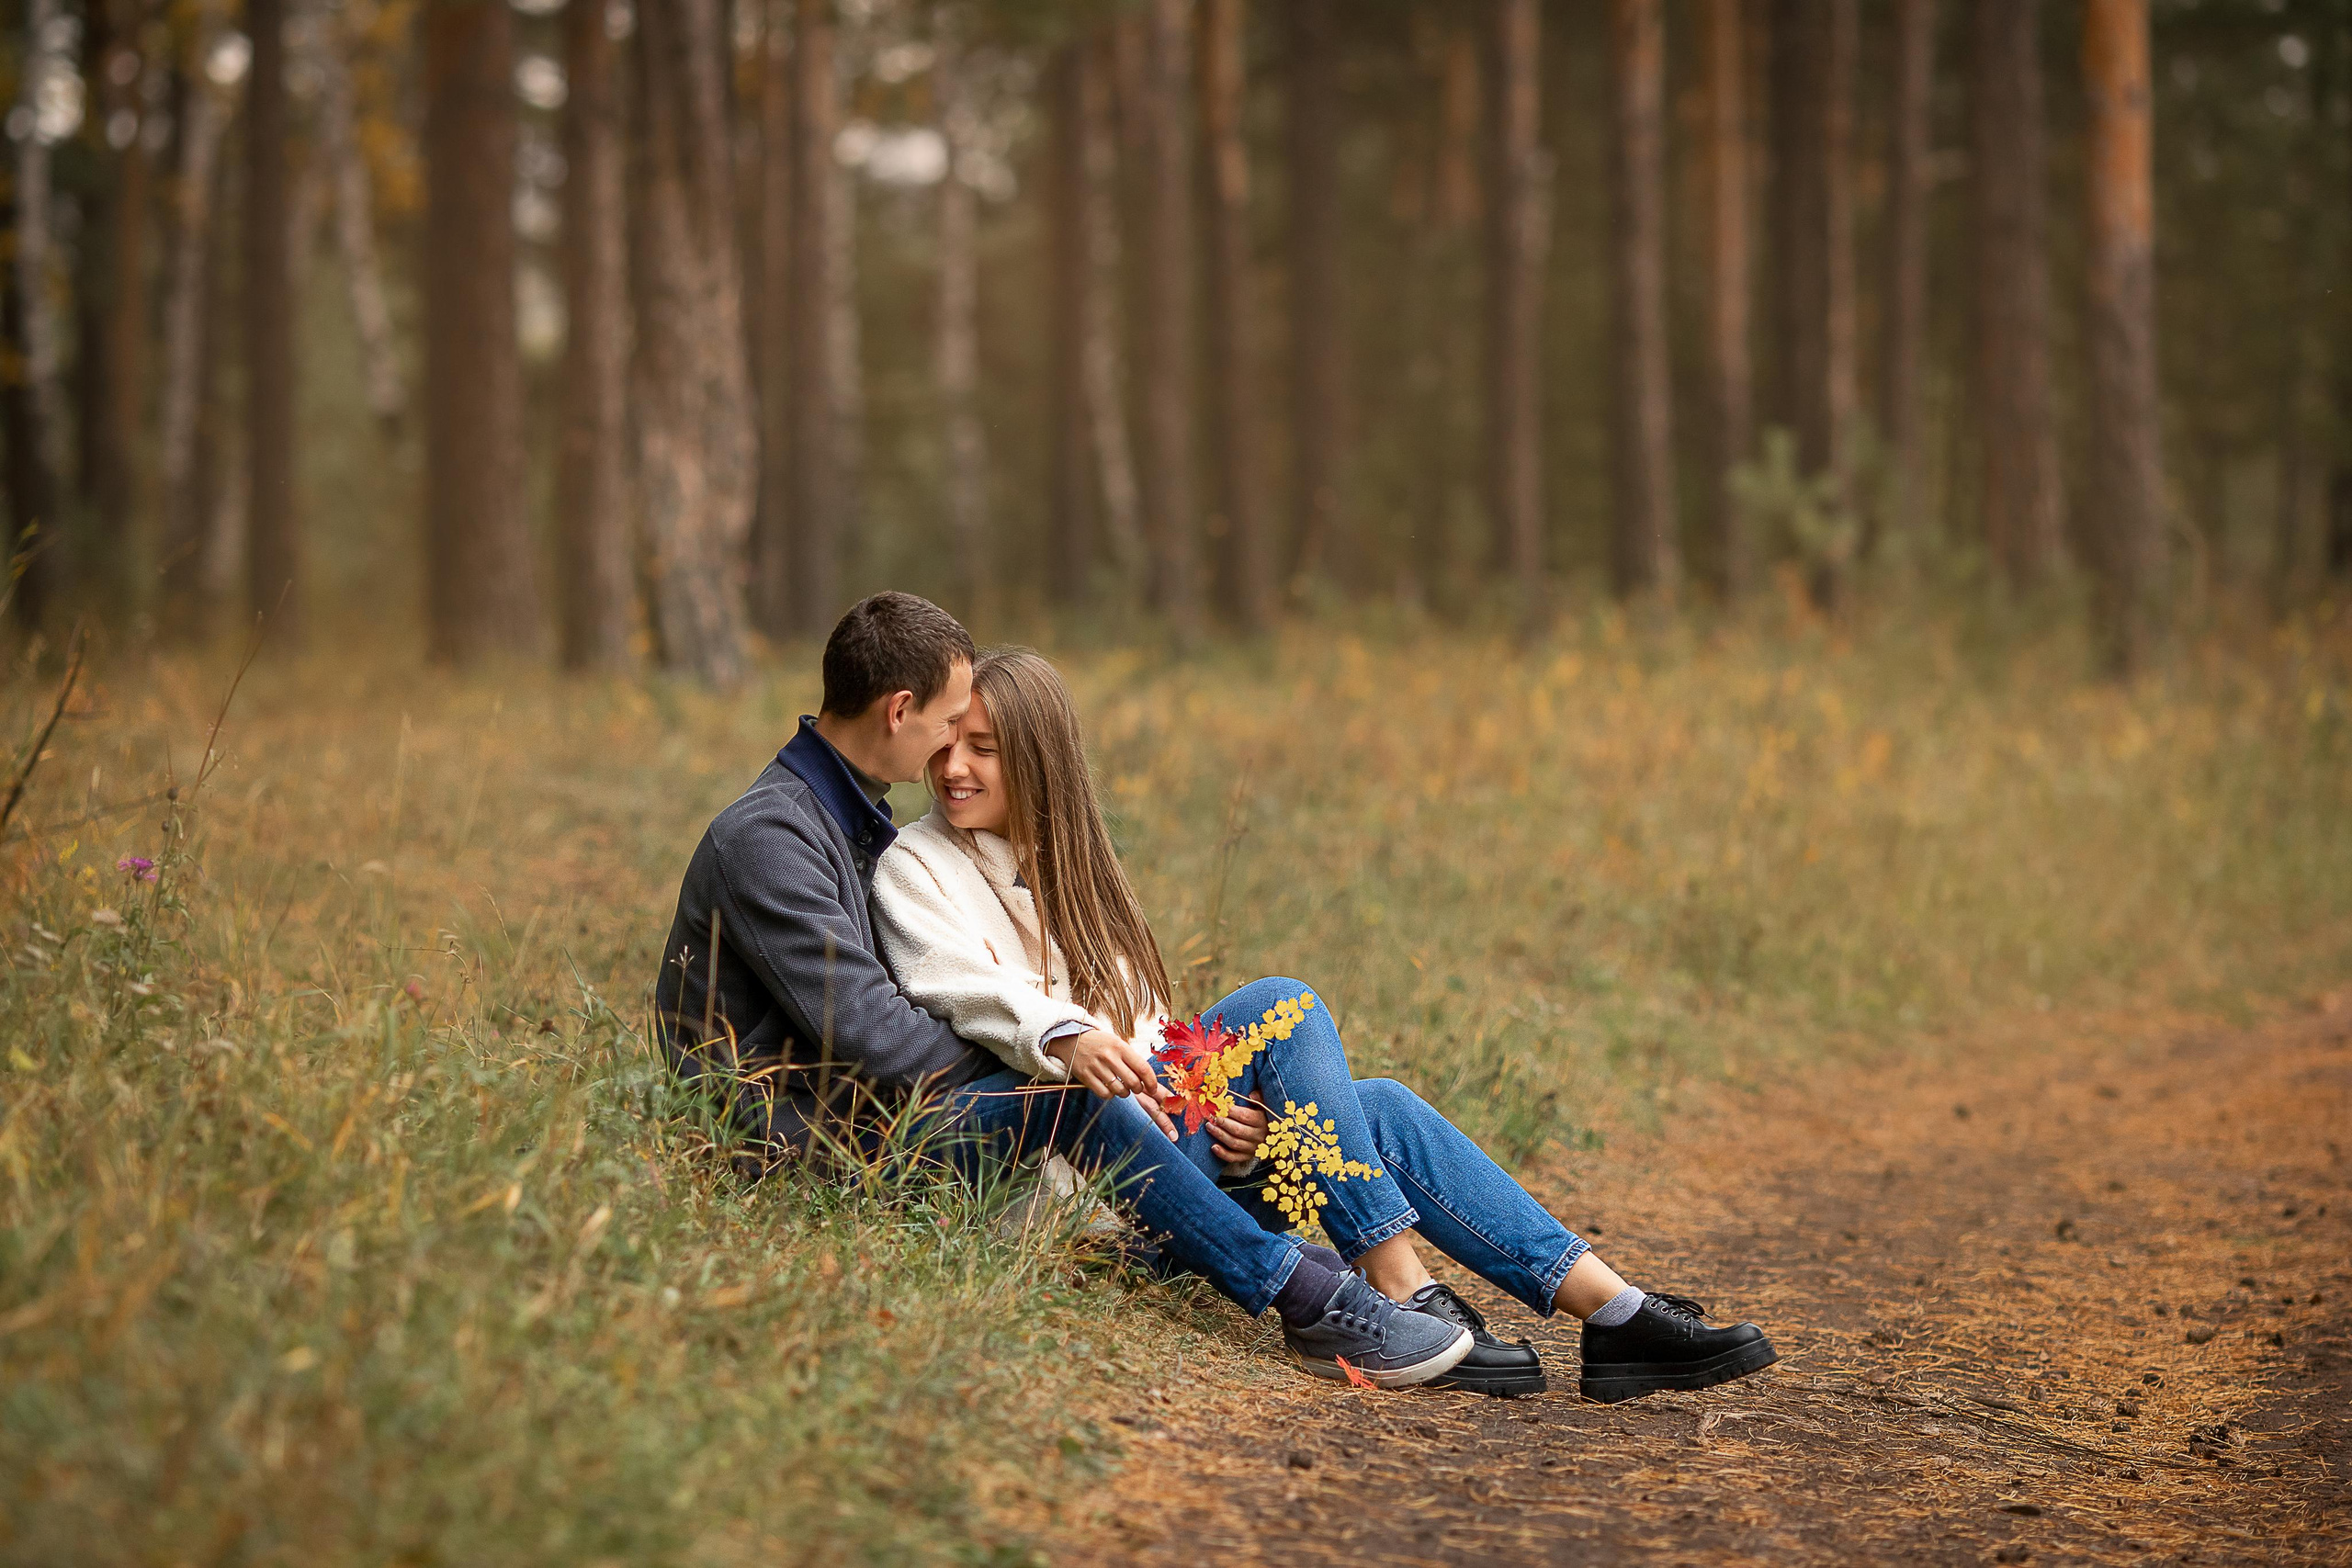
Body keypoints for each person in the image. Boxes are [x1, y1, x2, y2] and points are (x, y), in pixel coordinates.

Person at [655, 593, 1773, 1399]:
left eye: (983, 747)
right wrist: (1077, 1050)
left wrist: (1207, 1111)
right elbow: (942, 1011)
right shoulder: (888, 857)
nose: (954, 763)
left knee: (1367, 1100)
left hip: (1132, 1124)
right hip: (1033, 1153)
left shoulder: (1031, 862)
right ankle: (1399, 1284)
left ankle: (1611, 1311)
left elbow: (1145, 1025)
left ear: (1039, 761)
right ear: (903, 711)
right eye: (951, 734)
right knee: (1285, 1003)